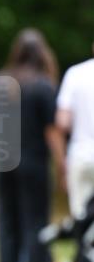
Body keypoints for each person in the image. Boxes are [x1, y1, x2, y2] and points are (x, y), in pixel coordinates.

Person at [0, 29, 63, 262]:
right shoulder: (43, 86)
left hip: (4, 161)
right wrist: (61, 163)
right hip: (33, 163)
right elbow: (52, 131)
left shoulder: (0, 82)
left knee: (8, 224)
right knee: (36, 224)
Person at [56, 42, 94, 220]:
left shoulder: (75, 73)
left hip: (80, 154)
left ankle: (83, 247)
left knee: (80, 216)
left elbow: (62, 122)